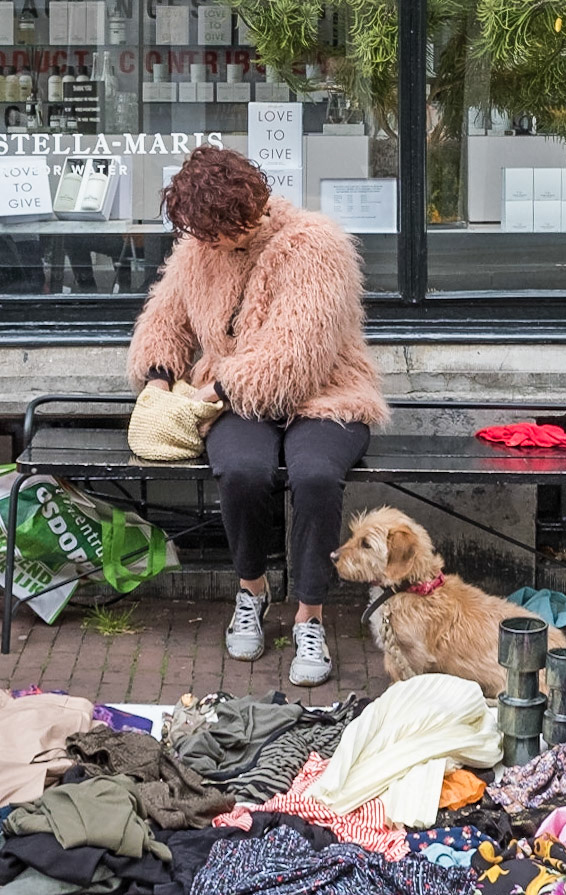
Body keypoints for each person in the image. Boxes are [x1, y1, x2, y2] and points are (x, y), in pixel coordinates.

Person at [127, 146, 388, 686]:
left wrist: (217, 388)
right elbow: (165, 318)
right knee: (243, 472)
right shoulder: (197, 251)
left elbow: (297, 354)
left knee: (316, 476)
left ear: (247, 209)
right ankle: (251, 589)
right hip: (233, 398)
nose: (209, 243)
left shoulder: (314, 246)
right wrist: (157, 373)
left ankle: (309, 617)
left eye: (217, 230)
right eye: (200, 233)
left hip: (324, 392)